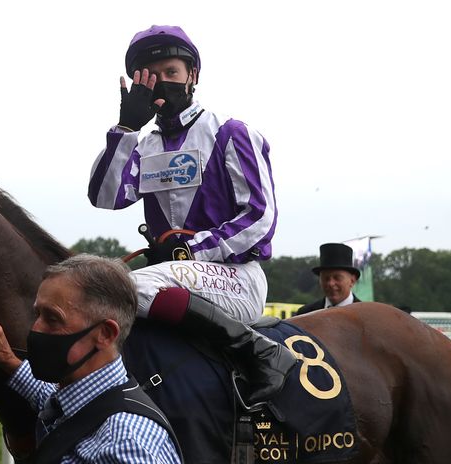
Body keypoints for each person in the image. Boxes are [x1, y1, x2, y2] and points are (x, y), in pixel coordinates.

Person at [87, 25, 295, 408]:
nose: (163, 82)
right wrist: (126, 129)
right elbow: (105, 197)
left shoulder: (231, 133)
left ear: (192, 76)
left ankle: (262, 352)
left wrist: (191, 251)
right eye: (152, 76)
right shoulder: (145, 146)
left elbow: (260, 218)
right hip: (170, 278)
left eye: (172, 72)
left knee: (122, 291)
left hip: (236, 278)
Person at [0, 254, 182, 464]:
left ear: (105, 334)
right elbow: (56, 403)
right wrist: (8, 360)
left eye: (52, 319)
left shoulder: (124, 445)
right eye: (37, 314)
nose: (35, 329)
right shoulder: (86, 399)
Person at [294, 243, 361, 316]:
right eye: (325, 278)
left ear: (352, 280)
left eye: (337, 278)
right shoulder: (305, 314)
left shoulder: (365, 314)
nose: (330, 283)